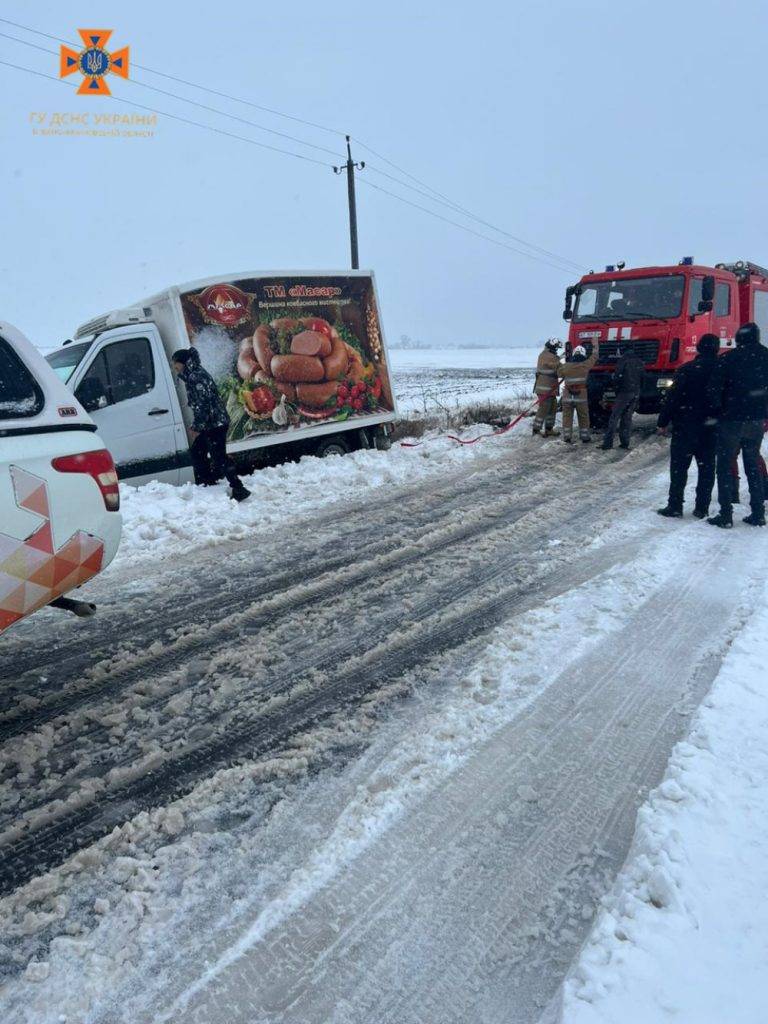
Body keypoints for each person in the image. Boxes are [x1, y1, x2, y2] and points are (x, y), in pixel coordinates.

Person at [706, 322, 768, 528]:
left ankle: (726, 514)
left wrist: (718, 412)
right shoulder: (766, 356)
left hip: (731, 420)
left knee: (724, 466)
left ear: (739, 338)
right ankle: (758, 512)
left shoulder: (728, 359)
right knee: (752, 464)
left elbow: (714, 392)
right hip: (756, 420)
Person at [172, 348, 251, 502]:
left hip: (215, 423)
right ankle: (208, 484)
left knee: (218, 456)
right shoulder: (192, 374)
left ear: (182, 363)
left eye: (175, 364)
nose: (174, 367)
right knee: (197, 451)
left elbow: (203, 405)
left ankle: (238, 487)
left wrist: (196, 427)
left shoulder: (195, 377)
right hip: (212, 422)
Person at [655, 334, 719, 518]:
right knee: (707, 469)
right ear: (716, 349)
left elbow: (672, 398)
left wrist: (663, 422)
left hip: (685, 426)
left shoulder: (686, 370)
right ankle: (702, 507)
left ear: (698, 348)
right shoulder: (722, 370)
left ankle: (675, 505)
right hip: (711, 427)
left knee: (679, 468)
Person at [601, 344, 644, 450]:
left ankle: (607, 444)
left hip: (624, 392)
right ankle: (625, 443)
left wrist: (616, 389)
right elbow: (643, 378)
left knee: (614, 417)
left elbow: (617, 377)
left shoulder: (623, 360)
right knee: (627, 418)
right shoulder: (639, 361)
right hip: (635, 392)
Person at [558, 343, 597, 443]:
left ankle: (567, 437)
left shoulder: (566, 366)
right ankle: (585, 437)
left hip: (567, 395)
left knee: (567, 417)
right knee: (583, 416)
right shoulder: (585, 365)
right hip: (581, 396)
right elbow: (594, 357)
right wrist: (595, 346)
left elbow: (558, 372)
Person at [532, 338, 561, 436]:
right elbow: (555, 366)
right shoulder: (545, 355)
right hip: (544, 389)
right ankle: (536, 430)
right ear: (552, 346)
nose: (556, 350)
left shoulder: (551, 356)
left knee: (552, 408)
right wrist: (561, 360)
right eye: (556, 348)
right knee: (543, 409)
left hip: (550, 388)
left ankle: (549, 429)